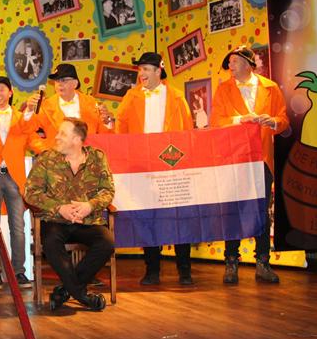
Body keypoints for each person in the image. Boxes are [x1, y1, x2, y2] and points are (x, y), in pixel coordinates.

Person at [110, 52, 196, 286]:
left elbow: (188, 132)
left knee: (178, 218)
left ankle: (185, 270)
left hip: (171, 166)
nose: (141, 74)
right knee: (148, 218)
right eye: (140, 69)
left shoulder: (176, 97)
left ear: (159, 71)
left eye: (146, 69)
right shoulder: (131, 96)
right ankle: (152, 270)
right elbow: (121, 129)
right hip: (143, 167)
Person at [210, 45, 289, 284]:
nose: (230, 66)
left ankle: (262, 262)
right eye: (230, 63)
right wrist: (240, 119)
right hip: (234, 159)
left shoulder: (270, 88)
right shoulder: (223, 89)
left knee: (261, 211)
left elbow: (283, 119)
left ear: (248, 64)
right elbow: (216, 122)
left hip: (262, 158)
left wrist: (273, 122)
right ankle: (231, 262)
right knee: (232, 210)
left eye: (234, 61)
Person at [25, 118, 115, 311]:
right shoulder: (47, 159)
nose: (56, 137)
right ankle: (82, 295)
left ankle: (65, 291)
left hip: (87, 221)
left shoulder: (97, 158)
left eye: (62, 134)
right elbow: (30, 193)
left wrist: (90, 205)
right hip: (56, 220)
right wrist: (59, 208)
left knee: (107, 242)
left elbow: (108, 190)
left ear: (76, 139)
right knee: (51, 242)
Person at [0, 76, 40, 289]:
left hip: (15, 176)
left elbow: (34, 137)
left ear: (10, 92)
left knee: (18, 226)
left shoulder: (22, 118)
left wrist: (52, 151)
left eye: (2, 89)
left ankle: (18, 271)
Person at [32, 63, 112, 152]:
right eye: (57, 81)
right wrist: (45, 150)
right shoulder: (45, 106)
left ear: (75, 83)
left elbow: (105, 135)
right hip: (58, 157)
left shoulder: (91, 103)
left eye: (63, 80)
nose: (59, 84)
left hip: (87, 156)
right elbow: (29, 131)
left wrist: (107, 121)